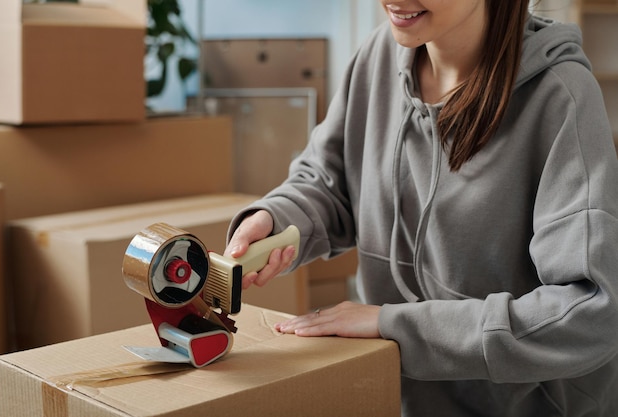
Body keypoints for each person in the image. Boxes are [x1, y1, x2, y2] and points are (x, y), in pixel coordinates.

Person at [224, 1, 618, 415]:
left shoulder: (560, 95)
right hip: (401, 400)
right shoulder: (377, 57)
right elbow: (328, 181)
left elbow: (591, 313)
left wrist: (393, 326)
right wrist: (277, 220)